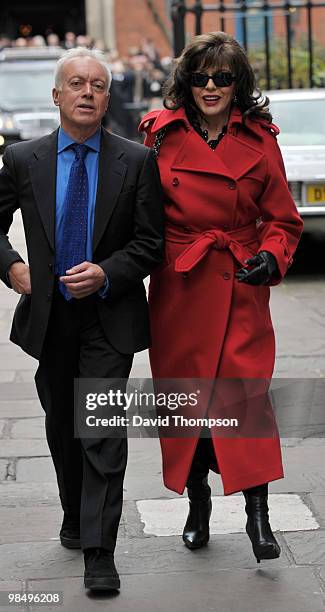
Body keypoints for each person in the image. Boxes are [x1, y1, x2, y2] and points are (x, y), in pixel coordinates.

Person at [0, 47, 164, 592]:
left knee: (100, 431)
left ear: (107, 95)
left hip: (108, 321)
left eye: (97, 84)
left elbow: (150, 244)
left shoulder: (136, 161)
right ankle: (74, 512)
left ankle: (100, 553)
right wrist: (14, 268)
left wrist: (109, 273)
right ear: (57, 95)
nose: (87, 92)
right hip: (49, 321)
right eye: (76, 83)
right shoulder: (24, 160)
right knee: (61, 427)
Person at [139, 32, 303, 562]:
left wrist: (272, 257)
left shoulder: (260, 138)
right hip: (181, 287)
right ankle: (198, 502)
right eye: (201, 76)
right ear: (186, 82)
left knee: (244, 399)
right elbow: (137, 216)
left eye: (223, 77)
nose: (211, 86)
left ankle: (259, 516)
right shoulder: (158, 136)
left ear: (239, 84)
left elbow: (283, 219)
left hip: (240, 283)